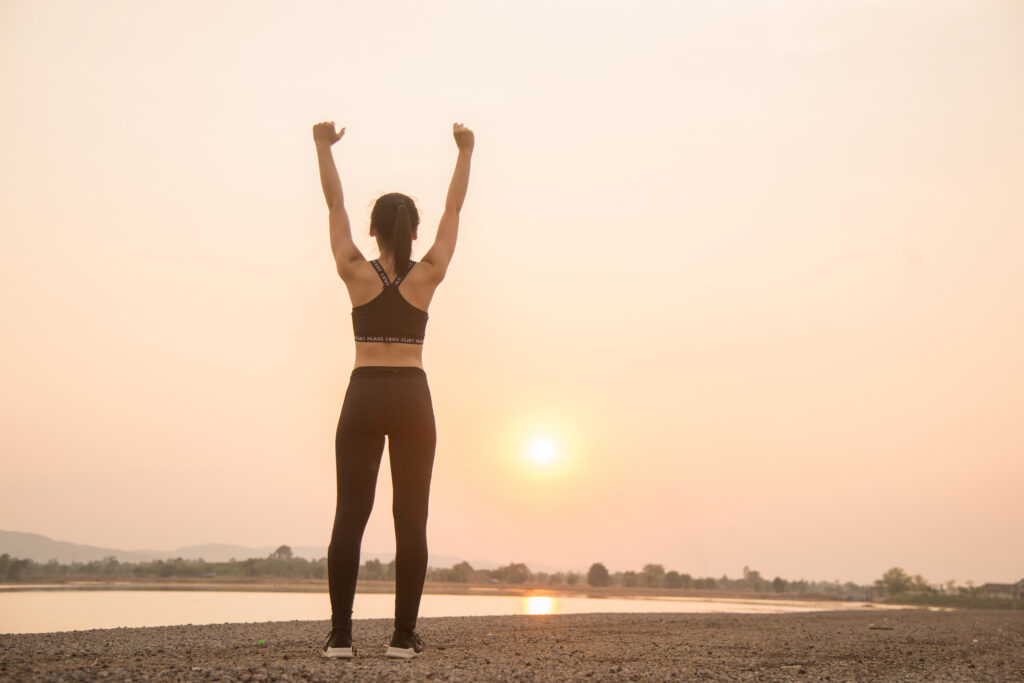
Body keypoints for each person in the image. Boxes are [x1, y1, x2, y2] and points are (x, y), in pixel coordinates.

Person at [313, 120, 474, 660]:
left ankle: (340, 637)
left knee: (349, 516)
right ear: (411, 233)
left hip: (363, 394)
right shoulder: (427, 274)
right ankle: (403, 639)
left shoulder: (354, 270)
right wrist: (464, 152)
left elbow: (333, 205)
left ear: (374, 231)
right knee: (412, 518)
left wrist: (322, 147)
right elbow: (454, 214)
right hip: (411, 396)